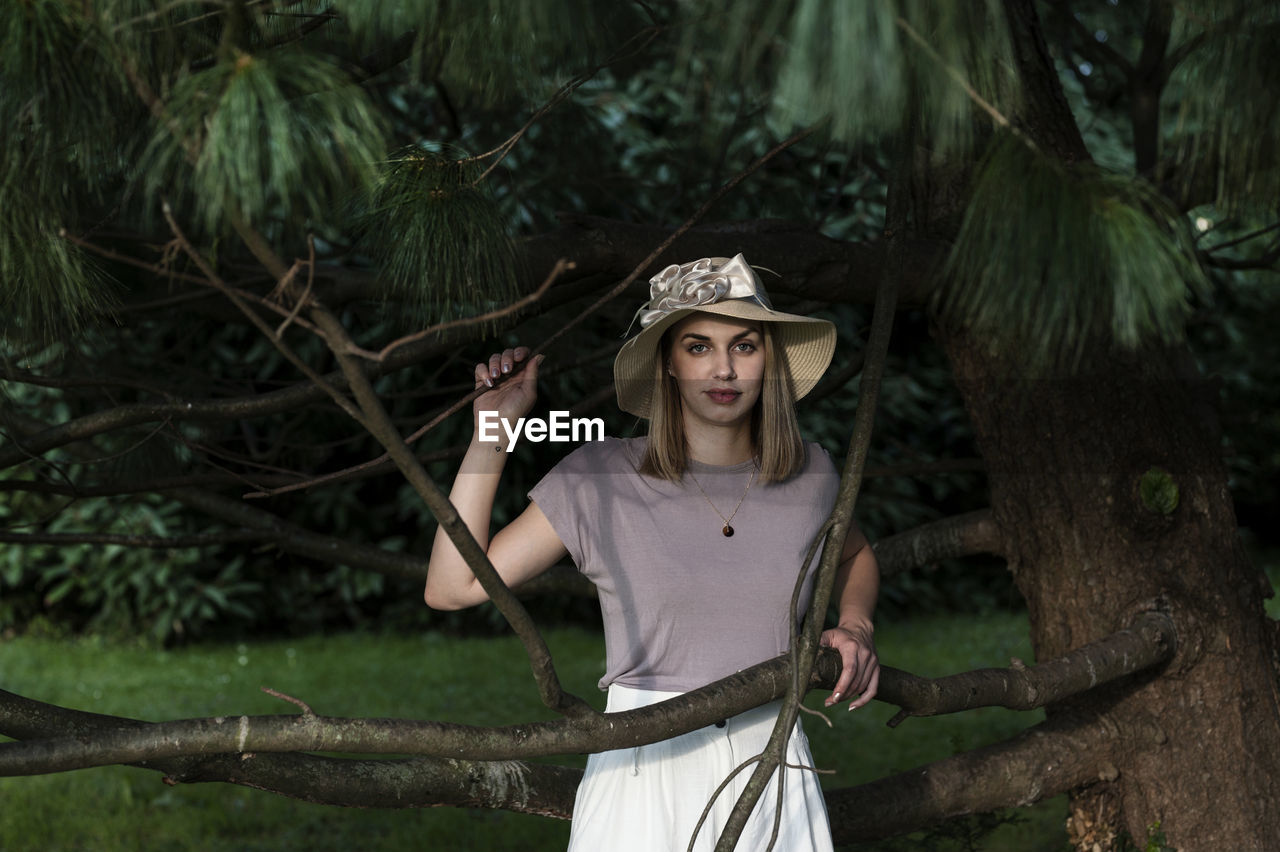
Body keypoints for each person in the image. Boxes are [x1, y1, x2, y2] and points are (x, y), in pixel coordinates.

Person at [425, 254, 879, 851]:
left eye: (744, 346)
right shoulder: (599, 477)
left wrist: (856, 625)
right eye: (698, 346)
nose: (723, 368)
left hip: (773, 760)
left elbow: (854, 553)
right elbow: (452, 586)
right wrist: (494, 430)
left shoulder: (811, 473)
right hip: (641, 767)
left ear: (768, 359)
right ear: (667, 361)